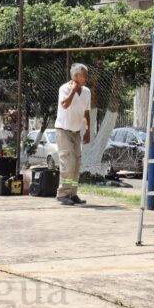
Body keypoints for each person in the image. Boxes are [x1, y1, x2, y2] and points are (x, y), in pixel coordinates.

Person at [54, 63, 92, 206]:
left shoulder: (87, 91)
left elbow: (86, 112)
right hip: (63, 131)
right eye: (84, 75)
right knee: (67, 164)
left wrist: (87, 130)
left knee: (76, 165)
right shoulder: (64, 88)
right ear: (75, 77)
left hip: (76, 132)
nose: (86, 78)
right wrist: (73, 91)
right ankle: (62, 193)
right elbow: (64, 104)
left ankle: (72, 193)